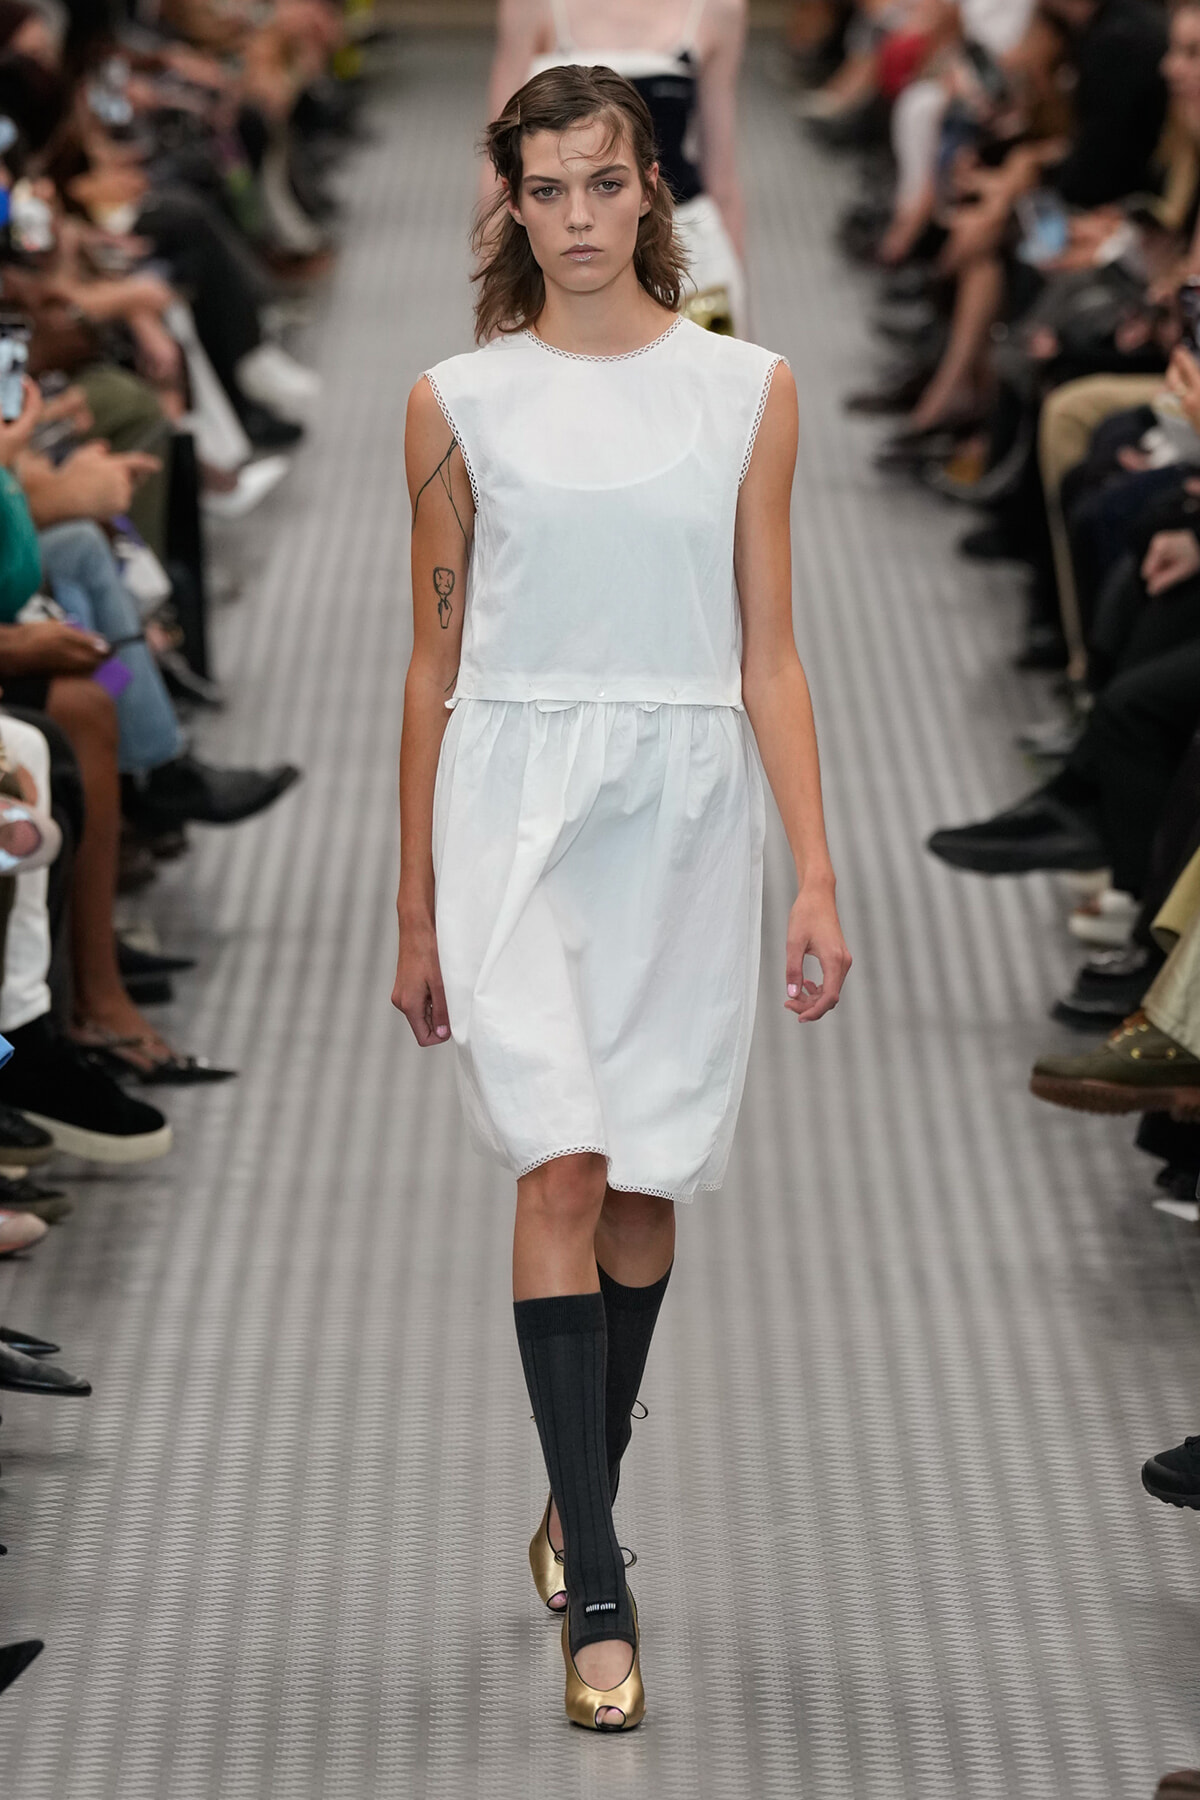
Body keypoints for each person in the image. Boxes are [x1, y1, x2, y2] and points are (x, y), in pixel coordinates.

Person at [393, 65, 850, 1731]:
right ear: (508, 205)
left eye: (605, 184)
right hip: (511, 808)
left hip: (685, 811)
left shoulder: (749, 392)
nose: (578, 219)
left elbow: (773, 653)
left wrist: (816, 871)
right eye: (547, 189)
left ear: (650, 190)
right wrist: (414, 908)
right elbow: (432, 667)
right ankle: (599, 1574)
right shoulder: (458, 402)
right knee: (563, 1163)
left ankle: (573, 1479)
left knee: (647, 1183)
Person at [487, 0, 749, 332]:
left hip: (687, 252)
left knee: (704, 380)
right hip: (562, 249)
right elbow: (499, 162)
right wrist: (500, 299)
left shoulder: (719, 8)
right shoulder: (530, 6)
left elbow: (722, 173)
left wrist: (740, 309)